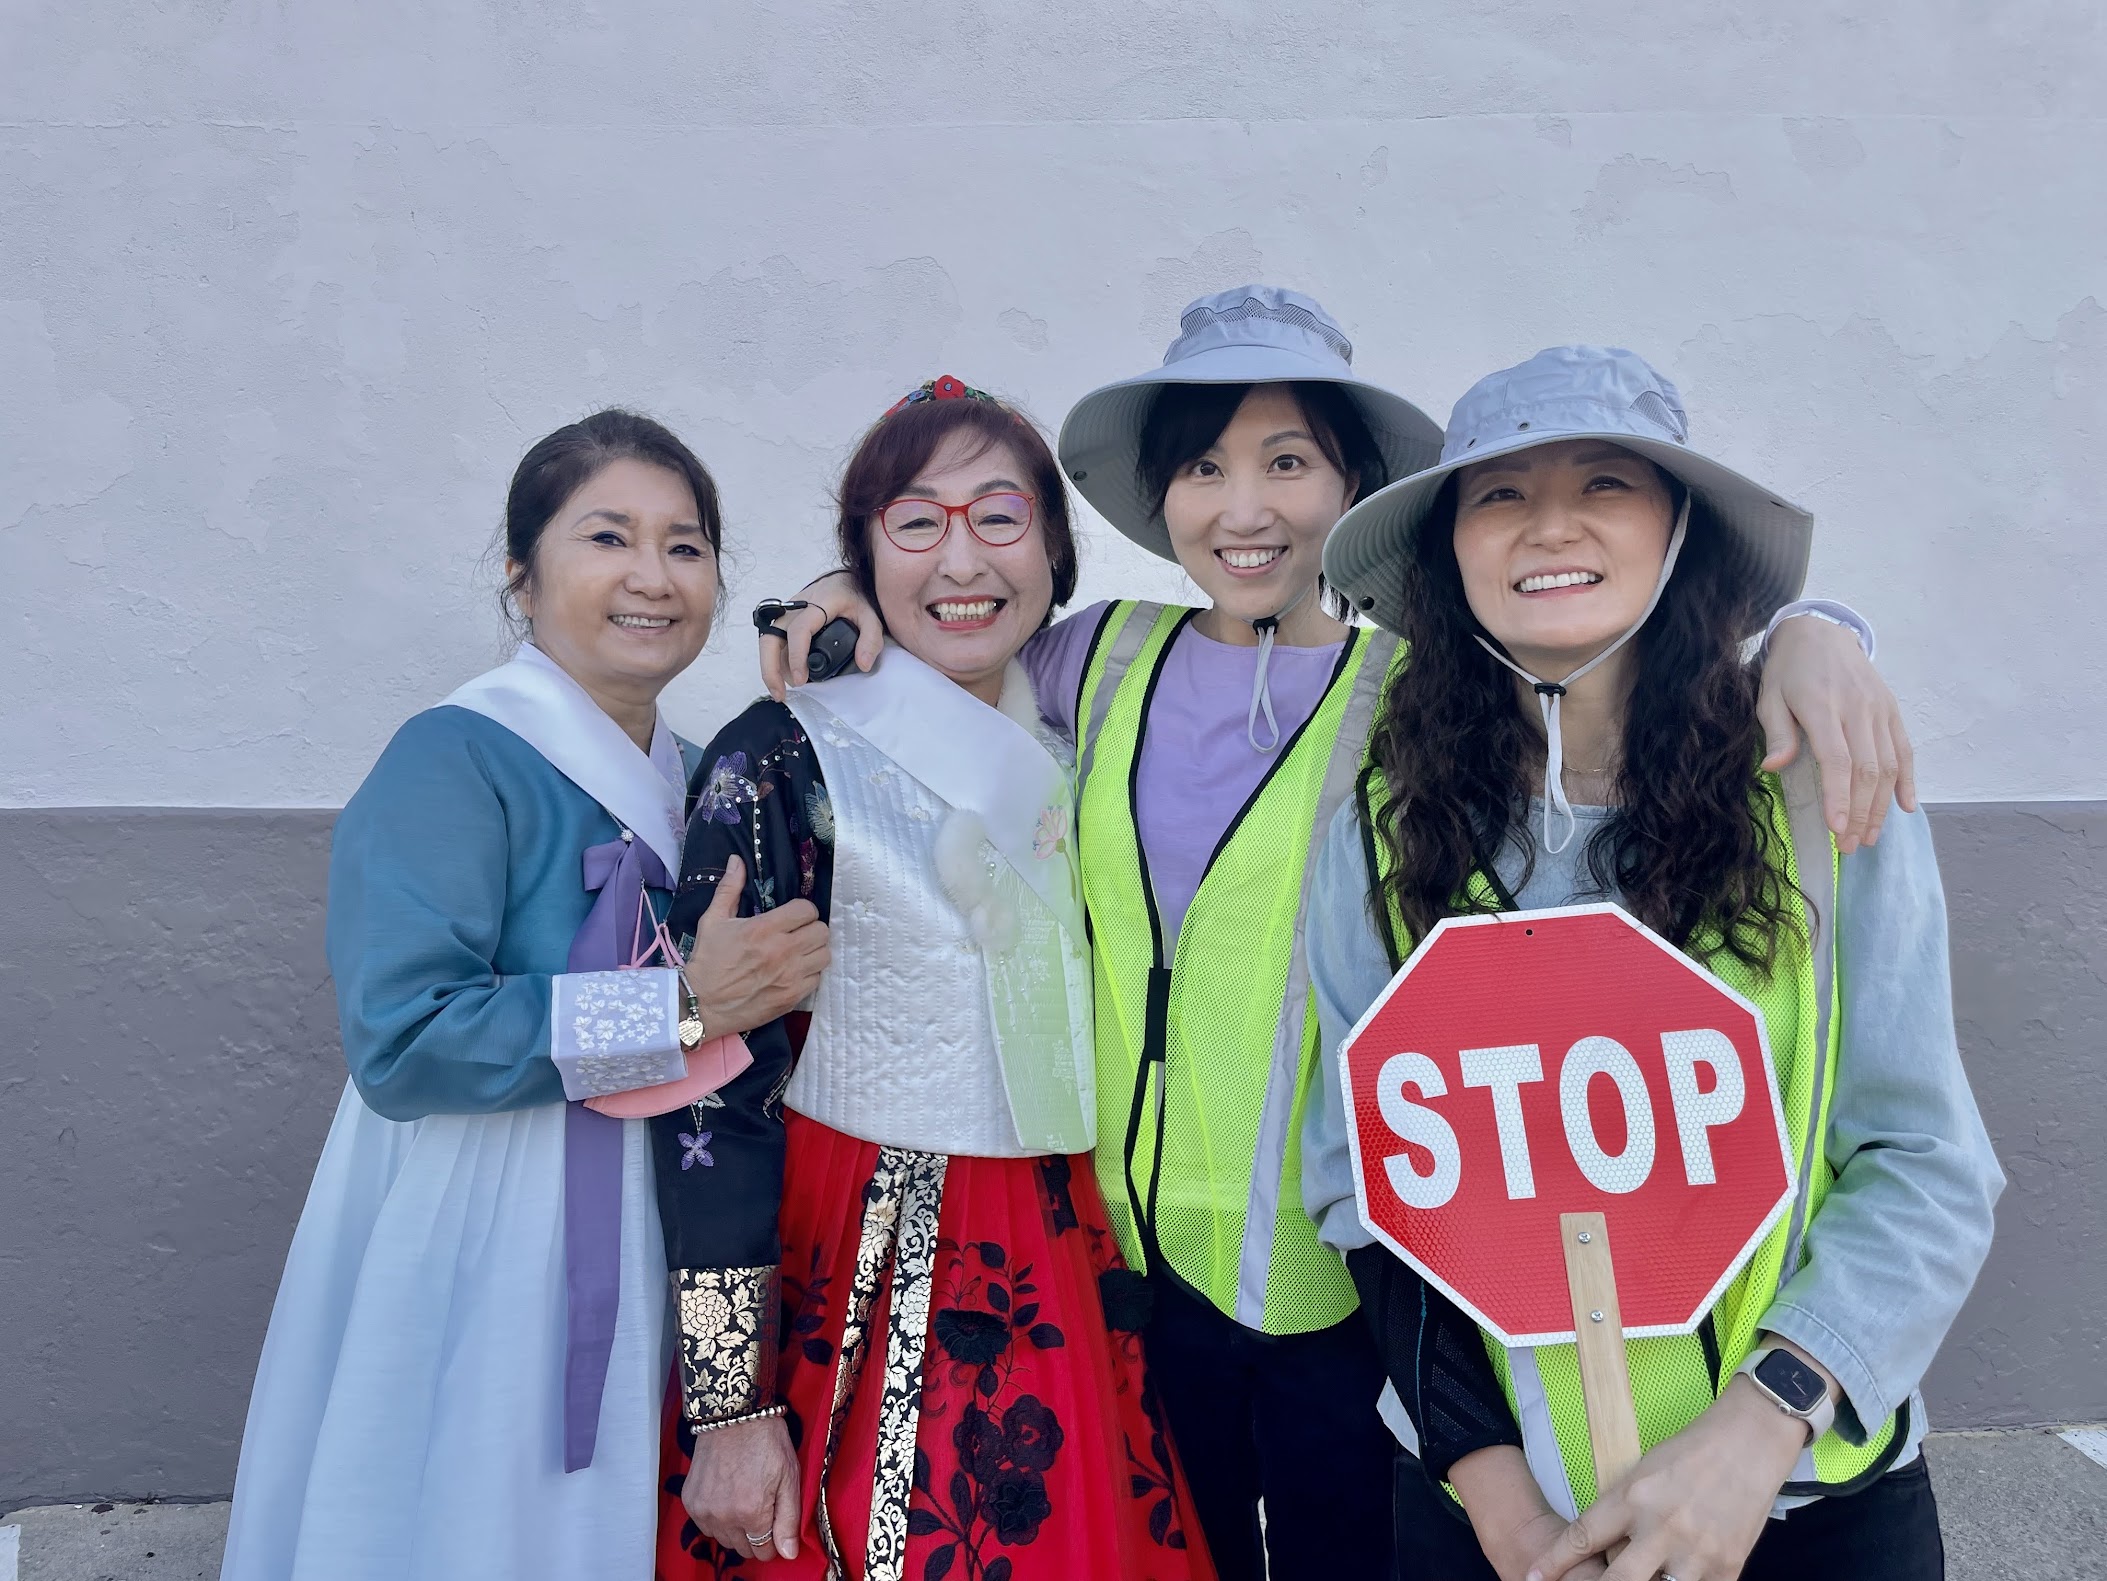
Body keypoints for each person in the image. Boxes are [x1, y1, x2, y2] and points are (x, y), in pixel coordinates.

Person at [761, 291, 1913, 1580]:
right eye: (1203, 467)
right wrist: (835, 588)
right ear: (1161, 498)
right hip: (1132, 1277)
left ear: (1354, 488)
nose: (1243, 508)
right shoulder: (1093, 660)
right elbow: (953, 631)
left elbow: (1609, 640)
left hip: (1352, 1293)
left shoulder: (1419, 699)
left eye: (1288, 463)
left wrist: (1818, 633)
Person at [1305, 345, 2003, 1581]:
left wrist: (1755, 1431)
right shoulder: (1382, 819)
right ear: (1448, 549)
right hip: (1487, 1518)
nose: (1550, 526)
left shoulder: (1818, 796)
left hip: (1796, 1507)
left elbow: (1923, 1162)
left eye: (1607, 484)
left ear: (1680, 529)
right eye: (1501, 494)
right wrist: (1504, 1506)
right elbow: (1364, 1192)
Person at [219, 411, 830, 1581]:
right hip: (481, 1220)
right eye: (609, 537)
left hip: (654, 1216)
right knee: (465, 1518)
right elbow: (402, 1042)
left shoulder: (705, 776)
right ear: (520, 569)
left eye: (687, 545)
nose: (653, 577)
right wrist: (679, 1011)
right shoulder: (454, 754)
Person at [649, 378, 1213, 1581]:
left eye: (998, 517)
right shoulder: (782, 755)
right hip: (855, 1252)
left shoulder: (1094, 732)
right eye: (915, 522)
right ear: (860, 554)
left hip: (1069, 1243)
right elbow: (707, 1096)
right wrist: (723, 1396)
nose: (962, 558)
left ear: (1055, 551)